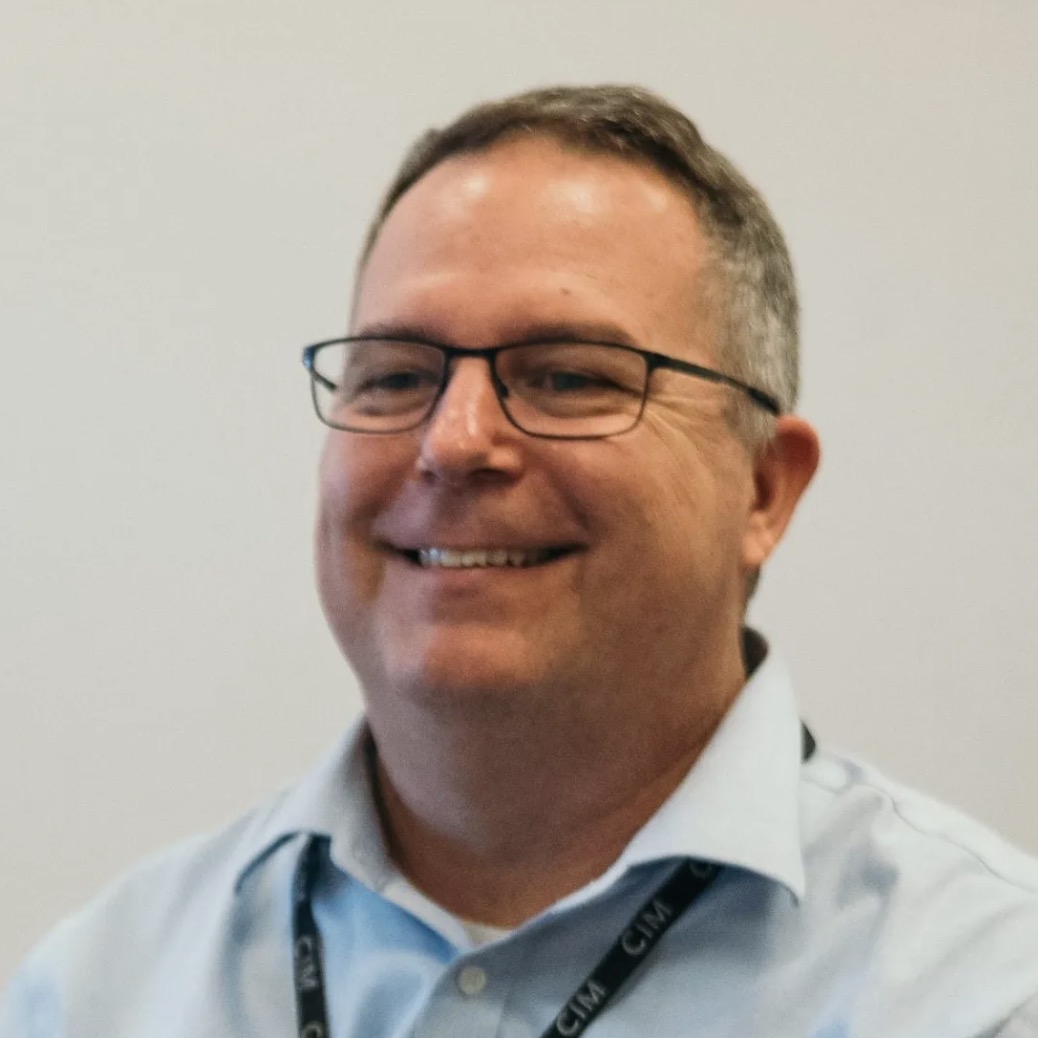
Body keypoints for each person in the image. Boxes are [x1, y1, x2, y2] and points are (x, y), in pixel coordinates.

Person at [3, 83, 1037, 1038]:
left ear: (764, 488)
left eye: (569, 377)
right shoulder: (100, 991)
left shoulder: (982, 990)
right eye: (395, 376)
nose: (453, 442)